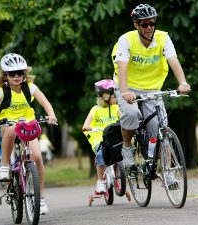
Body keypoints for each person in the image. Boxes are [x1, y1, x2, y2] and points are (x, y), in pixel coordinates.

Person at [111, 4, 191, 177]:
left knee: (160, 128)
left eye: (152, 23)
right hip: (128, 86)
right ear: (136, 25)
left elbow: (174, 61)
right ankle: (127, 148)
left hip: (152, 88)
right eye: (144, 24)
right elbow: (122, 66)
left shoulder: (163, 38)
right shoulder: (126, 40)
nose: (149, 28)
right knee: (131, 114)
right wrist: (124, 92)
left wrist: (183, 82)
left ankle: (168, 172)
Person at [0, 53, 57, 215]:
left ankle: (41, 199)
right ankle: (4, 166)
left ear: (25, 74)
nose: (16, 76)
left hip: (28, 125)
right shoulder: (0, 92)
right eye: (12, 73)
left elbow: (45, 102)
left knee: (38, 158)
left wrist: (51, 115)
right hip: (8, 125)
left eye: (20, 73)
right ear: (5, 75)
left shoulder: (30, 87)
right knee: (10, 129)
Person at [82, 79, 120, 194]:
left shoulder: (116, 108)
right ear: (106, 97)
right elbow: (85, 125)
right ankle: (100, 182)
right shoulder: (95, 110)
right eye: (114, 96)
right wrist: (89, 127)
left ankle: (119, 175)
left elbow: (123, 119)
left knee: (121, 150)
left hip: (112, 136)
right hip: (98, 136)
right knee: (99, 154)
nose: (117, 98)